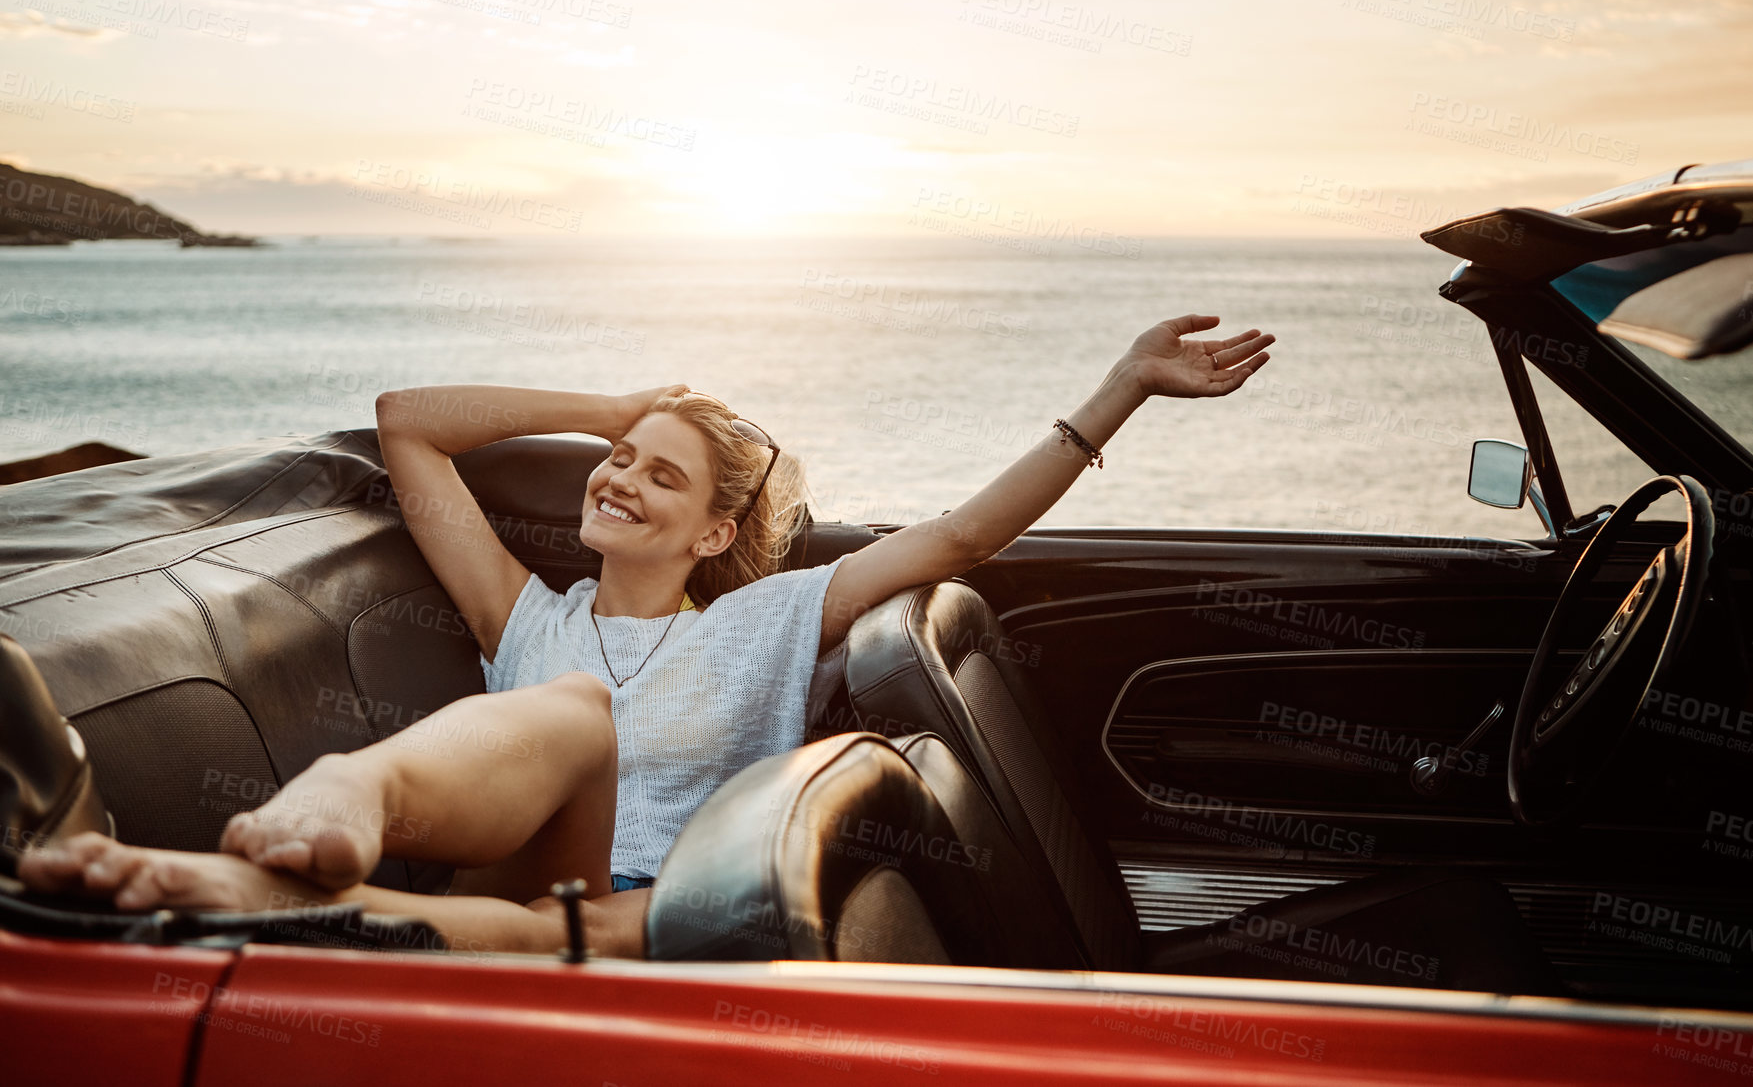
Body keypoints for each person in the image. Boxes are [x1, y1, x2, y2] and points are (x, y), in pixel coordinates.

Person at [20, 314, 1272, 959]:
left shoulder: (773, 619)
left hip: (643, 921)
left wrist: (1120, 389)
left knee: (585, 919)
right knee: (564, 712)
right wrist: (615, 404)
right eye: (616, 462)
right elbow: (408, 423)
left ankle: (247, 897)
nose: (617, 477)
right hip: (495, 867)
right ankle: (338, 803)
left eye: (658, 476)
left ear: (716, 528)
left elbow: (955, 539)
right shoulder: (524, 612)